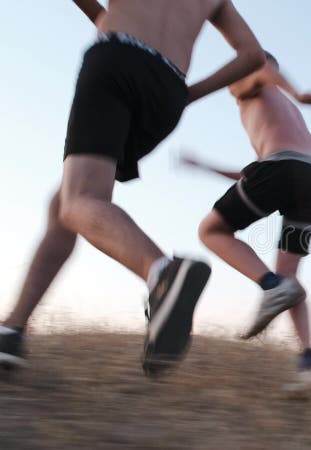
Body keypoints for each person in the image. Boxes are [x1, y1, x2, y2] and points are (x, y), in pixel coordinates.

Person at [0, 0, 266, 377]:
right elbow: (252, 55)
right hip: (168, 90)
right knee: (67, 202)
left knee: (81, 200)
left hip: (117, 58)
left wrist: (101, 17)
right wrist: (189, 93)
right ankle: (12, 329)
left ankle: (162, 275)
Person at [181, 50, 311, 386]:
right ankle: (309, 362)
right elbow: (251, 174)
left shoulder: (249, 83)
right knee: (291, 282)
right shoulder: (282, 109)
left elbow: (263, 71)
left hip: (282, 168)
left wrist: (300, 93)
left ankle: (270, 286)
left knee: (211, 231)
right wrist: (205, 166)